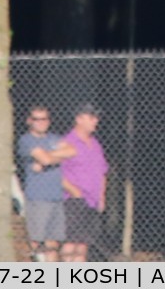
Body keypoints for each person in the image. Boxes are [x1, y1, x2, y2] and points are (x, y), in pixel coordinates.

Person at [17, 105, 74, 260]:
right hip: (38, 197)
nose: (41, 122)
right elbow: (45, 159)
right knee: (37, 241)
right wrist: (52, 158)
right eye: (37, 119)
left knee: (53, 243)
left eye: (44, 119)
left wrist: (48, 158)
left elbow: (71, 151)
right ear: (29, 121)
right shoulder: (26, 140)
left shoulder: (53, 138)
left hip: (56, 196)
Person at [59, 103, 109, 263]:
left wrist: (101, 196)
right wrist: (74, 192)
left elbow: (102, 171)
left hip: (92, 201)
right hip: (73, 201)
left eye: (96, 118)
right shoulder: (67, 142)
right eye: (91, 117)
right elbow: (55, 173)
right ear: (79, 119)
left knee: (82, 246)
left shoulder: (95, 144)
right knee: (70, 245)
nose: (96, 121)